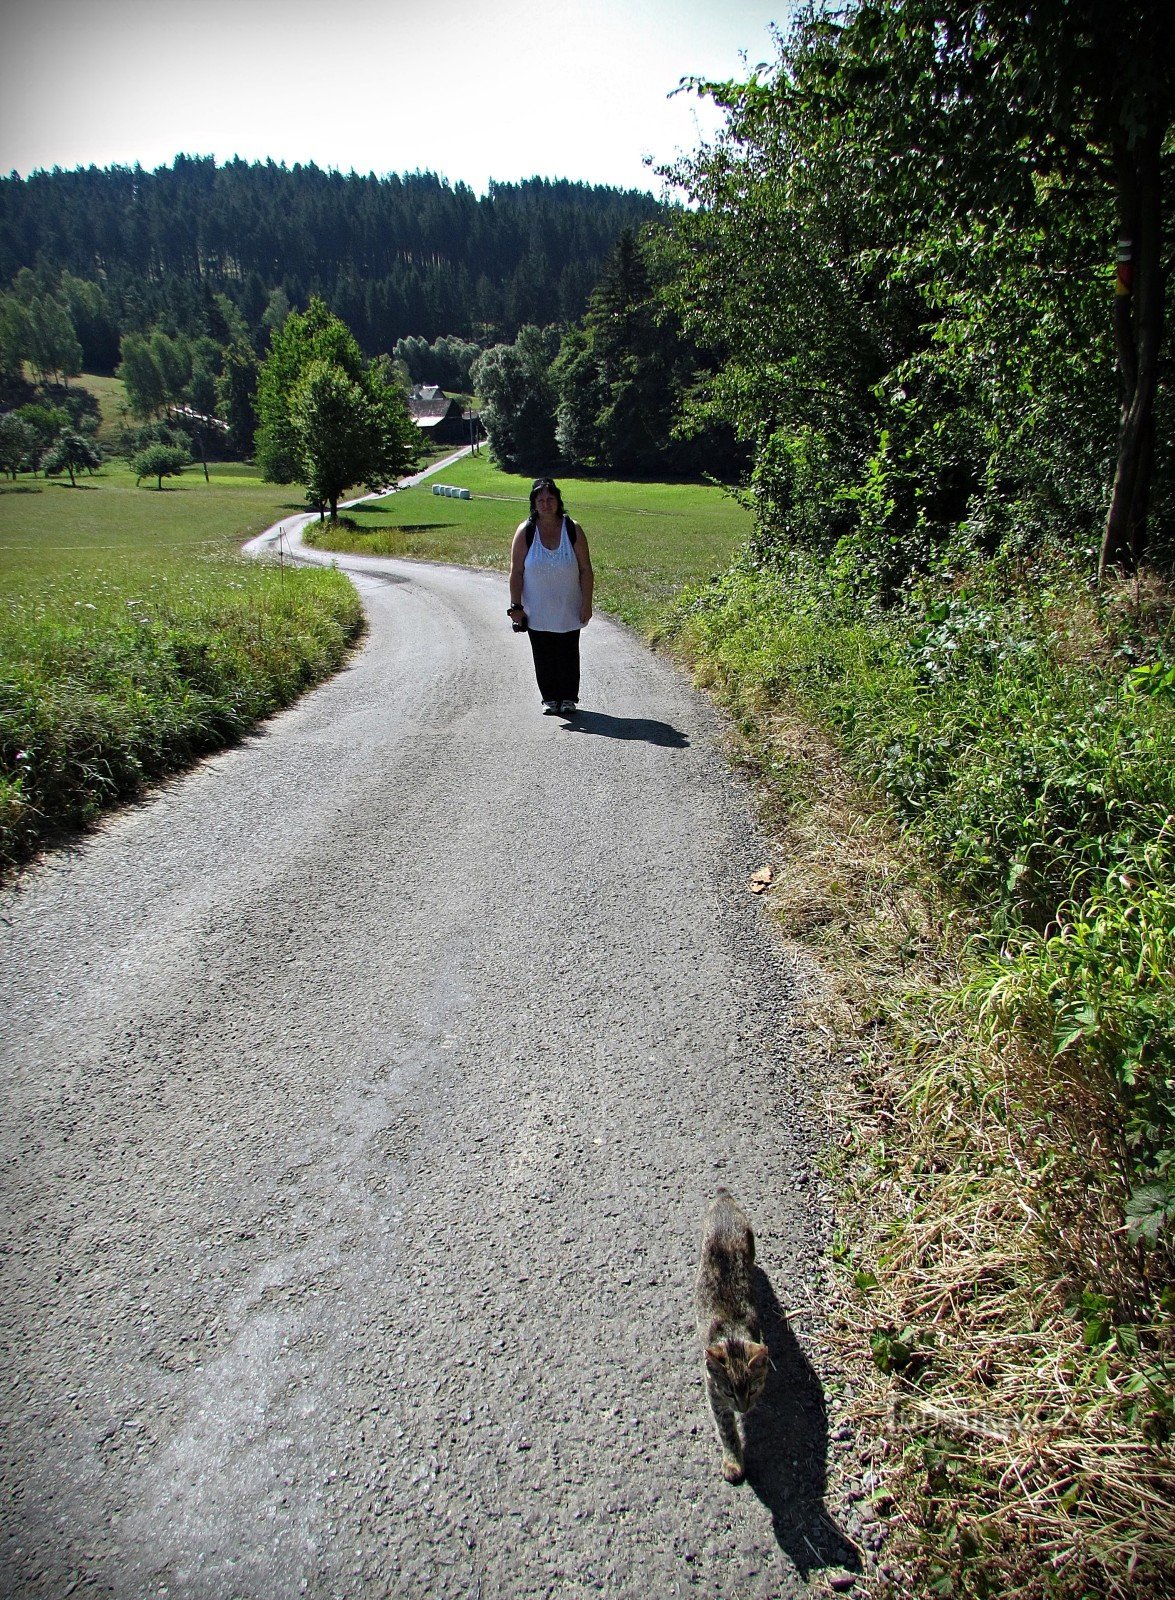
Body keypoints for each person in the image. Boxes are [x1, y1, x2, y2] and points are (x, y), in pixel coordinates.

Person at [507, 477, 594, 715]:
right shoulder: (526, 531)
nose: (546, 504)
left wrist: (587, 603)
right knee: (543, 654)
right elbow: (516, 571)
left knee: (567, 651)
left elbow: (586, 569)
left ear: (558, 501)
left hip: (568, 606)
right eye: (541, 500)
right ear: (534, 504)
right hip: (537, 608)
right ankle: (549, 698)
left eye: (550, 499)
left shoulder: (572, 529)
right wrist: (516, 606)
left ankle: (568, 697)